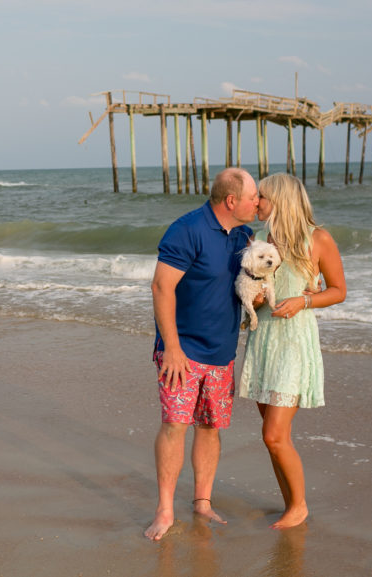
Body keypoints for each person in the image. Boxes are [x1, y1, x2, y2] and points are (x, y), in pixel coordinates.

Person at [144, 167, 260, 541]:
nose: (257, 203)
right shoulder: (187, 229)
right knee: (175, 425)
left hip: (222, 352)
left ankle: (202, 502)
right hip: (183, 350)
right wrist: (172, 349)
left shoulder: (245, 234)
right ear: (231, 201)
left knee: (209, 427)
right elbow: (162, 287)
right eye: (252, 197)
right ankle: (164, 510)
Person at [237, 172, 346, 529]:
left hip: (294, 344)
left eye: (262, 197)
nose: (256, 203)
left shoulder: (318, 239)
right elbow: (255, 287)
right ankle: (289, 505)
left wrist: (304, 300)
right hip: (264, 339)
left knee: (274, 434)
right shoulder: (261, 240)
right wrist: (252, 296)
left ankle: (299, 507)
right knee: (273, 437)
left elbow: (339, 291)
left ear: (280, 200)